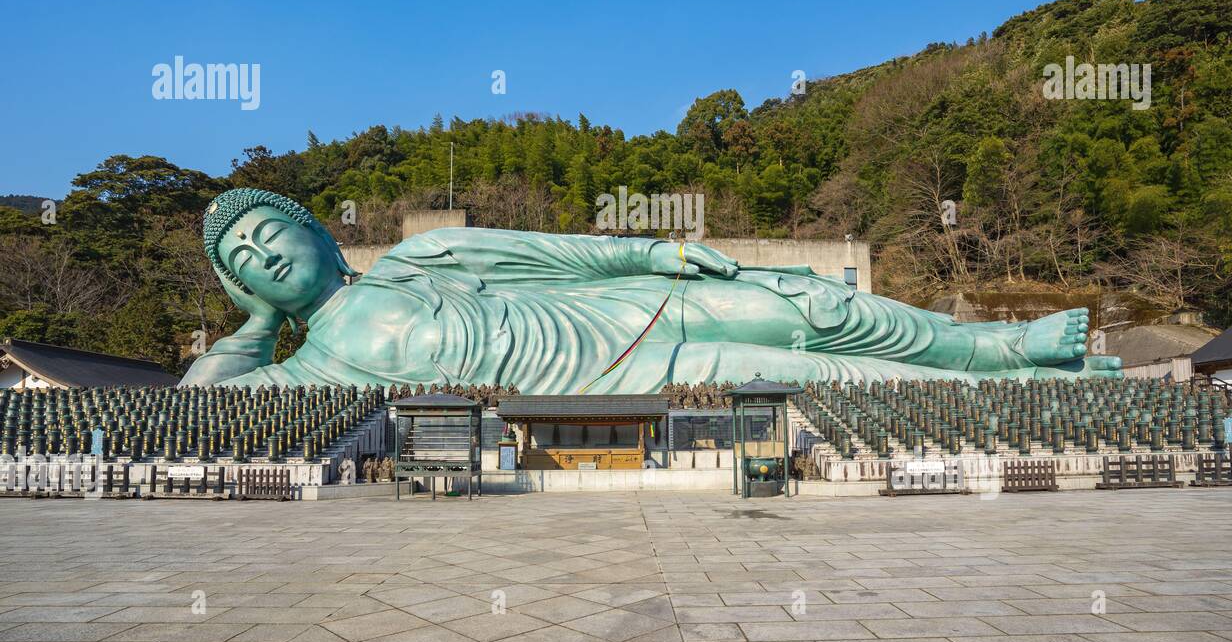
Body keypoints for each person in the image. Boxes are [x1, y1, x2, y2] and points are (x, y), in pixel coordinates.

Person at [180, 188, 1122, 391]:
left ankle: (996, 344)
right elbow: (199, 405)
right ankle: (1014, 386)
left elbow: (556, 254)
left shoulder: (415, 261)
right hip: (620, 377)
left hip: (630, 312)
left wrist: (659, 259)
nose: (263, 255)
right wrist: (260, 327)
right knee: (819, 378)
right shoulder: (321, 366)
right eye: (245, 263)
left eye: (271, 234)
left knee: (806, 303)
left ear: (316, 231)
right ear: (240, 290)